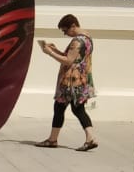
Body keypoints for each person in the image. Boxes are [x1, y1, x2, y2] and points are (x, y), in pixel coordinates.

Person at [36, 13, 98, 151]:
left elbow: (69, 61)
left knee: (62, 108)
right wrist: (55, 49)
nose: (65, 34)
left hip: (71, 82)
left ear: (73, 26)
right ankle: (90, 138)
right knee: (75, 109)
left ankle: (53, 140)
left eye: (65, 30)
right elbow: (75, 57)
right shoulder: (87, 37)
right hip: (81, 80)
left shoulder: (77, 42)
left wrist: (49, 53)